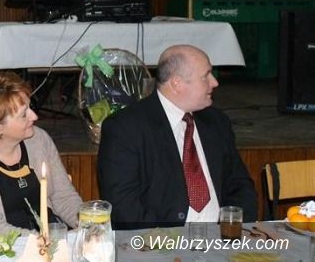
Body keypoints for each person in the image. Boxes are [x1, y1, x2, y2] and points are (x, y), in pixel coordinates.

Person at [97, 44, 257, 229]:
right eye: (206, 76)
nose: (214, 82)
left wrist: (232, 230)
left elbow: (240, 186)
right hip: (159, 241)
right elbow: (123, 205)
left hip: (221, 237)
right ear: (177, 83)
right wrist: (168, 241)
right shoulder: (125, 128)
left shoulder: (216, 122)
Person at [0, 72, 82, 238]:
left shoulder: (39, 140)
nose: (34, 116)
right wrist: (46, 241)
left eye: (30, 107)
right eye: (24, 114)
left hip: (49, 239)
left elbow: (63, 196)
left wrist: (86, 224)